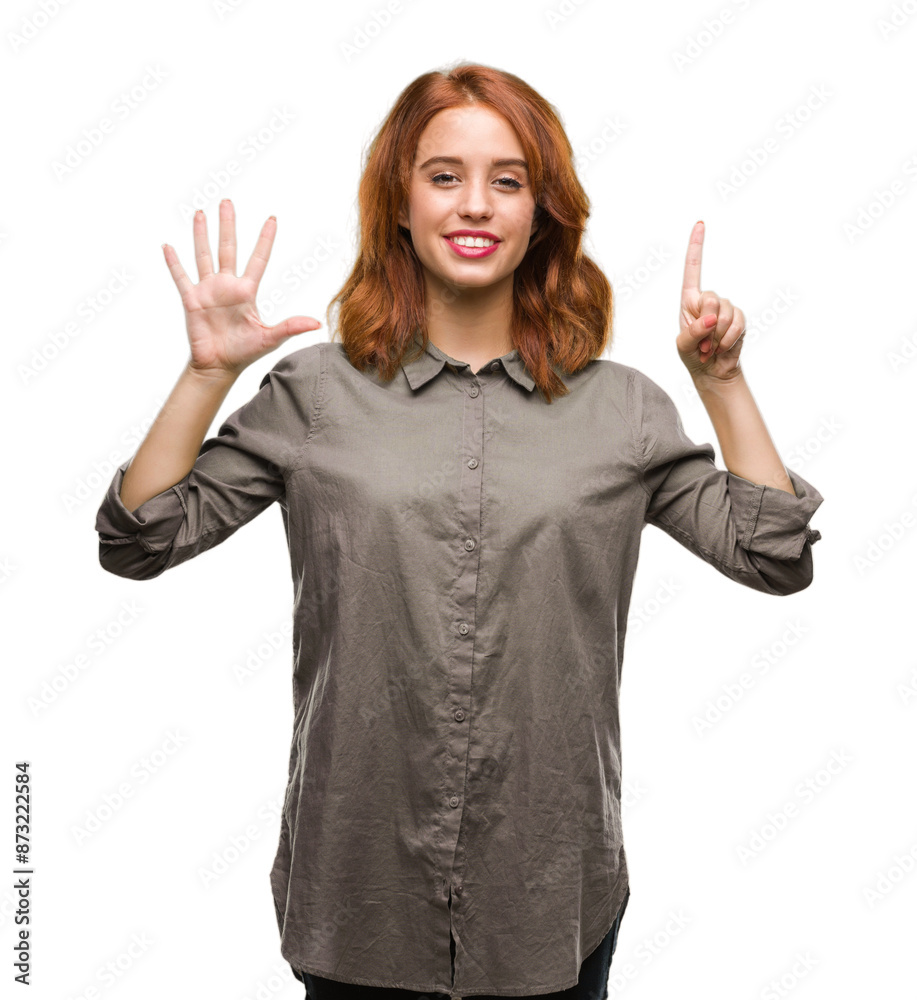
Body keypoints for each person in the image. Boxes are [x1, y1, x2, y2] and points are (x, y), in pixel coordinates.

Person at [94, 63, 824, 1000]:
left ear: (542, 211)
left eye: (507, 179)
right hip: (356, 900)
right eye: (443, 176)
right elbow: (139, 542)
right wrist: (205, 377)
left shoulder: (623, 412)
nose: (474, 203)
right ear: (398, 203)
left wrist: (720, 383)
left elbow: (773, 557)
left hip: (549, 901)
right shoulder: (314, 394)